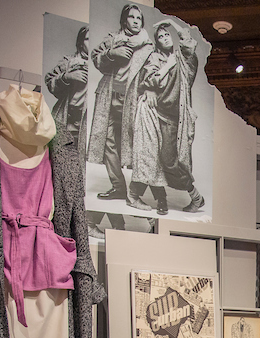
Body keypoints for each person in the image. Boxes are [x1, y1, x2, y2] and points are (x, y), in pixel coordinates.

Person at [129, 20, 205, 215]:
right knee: (152, 155)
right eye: (161, 36)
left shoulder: (182, 57)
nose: (165, 38)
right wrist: (159, 76)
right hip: (156, 114)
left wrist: (172, 23)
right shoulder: (155, 58)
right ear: (157, 42)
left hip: (176, 118)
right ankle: (143, 196)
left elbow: (189, 43)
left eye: (167, 35)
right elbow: (149, 80)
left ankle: (195, 197)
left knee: (172, 160)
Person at [86, 4, 154, 207]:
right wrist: (111, 54)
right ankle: (118, 187)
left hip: (133, 99)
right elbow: (96, 57)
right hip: (109, 95)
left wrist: (150, 89)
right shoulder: (113, 40)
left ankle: (137, 191)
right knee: (107, 141)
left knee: (138, 142)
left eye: (139, 18)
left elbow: (153, 70)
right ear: (124, 20)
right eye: (131, 17)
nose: (135, 21)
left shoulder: (148, 46)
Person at [45, 25, 90, 152]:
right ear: (80, 43)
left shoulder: (101, 64)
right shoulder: (69, 62)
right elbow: (49, 80)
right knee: (62, 154)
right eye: (88, 39)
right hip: (68, 118)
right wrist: (67, 77)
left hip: (87, 121)